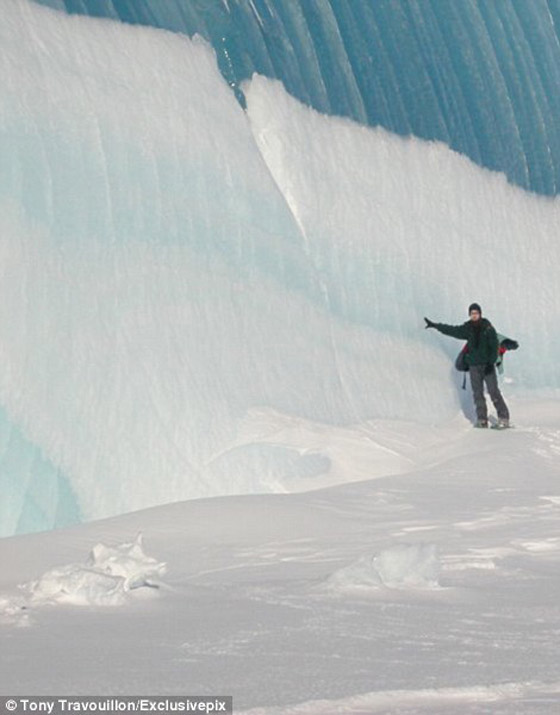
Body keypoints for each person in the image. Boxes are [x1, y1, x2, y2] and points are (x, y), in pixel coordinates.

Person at [424, 303, 510, 428]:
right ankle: (482, 419)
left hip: (487, 366)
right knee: (477, 393)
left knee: (493, 391)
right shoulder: (468, 328)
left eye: (476, 313)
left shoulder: (488, 328)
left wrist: (490, 362)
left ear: (480, 314)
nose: (474, 315)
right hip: (474, 366)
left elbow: (494, 346)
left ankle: (504, 418)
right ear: (470, 315)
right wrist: (436, 326)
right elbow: (453, 330)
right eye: (472, 313)